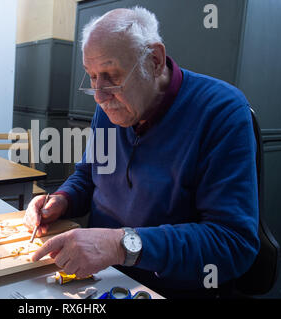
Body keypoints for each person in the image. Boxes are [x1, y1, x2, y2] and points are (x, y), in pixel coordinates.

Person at [23, 6, 259, 298]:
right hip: (103, 277)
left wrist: (120, 246)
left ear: (155, 60)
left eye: (111, 75)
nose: (99, 96)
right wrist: (62, 199)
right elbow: (88, 176)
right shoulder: (111, 108)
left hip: (169, 287)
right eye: (92, 77)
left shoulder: (221, 111)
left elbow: (233, 243)